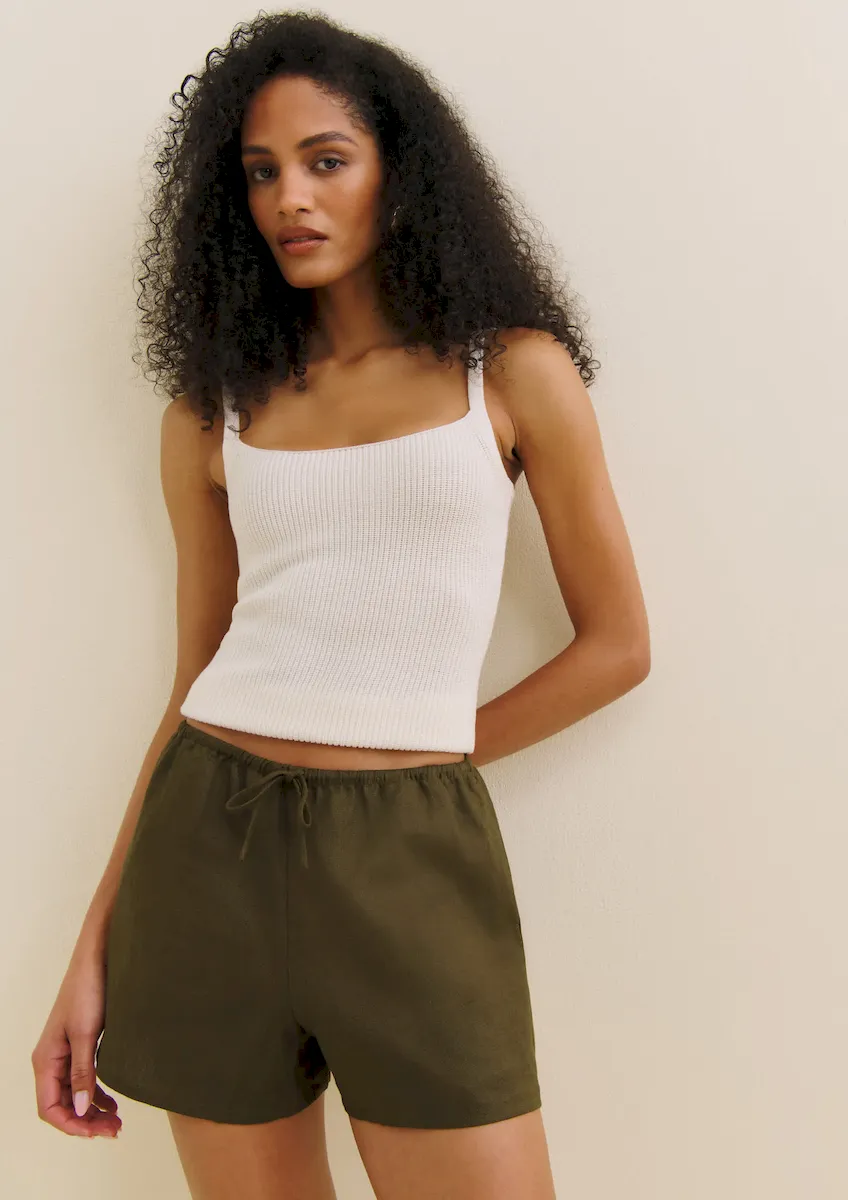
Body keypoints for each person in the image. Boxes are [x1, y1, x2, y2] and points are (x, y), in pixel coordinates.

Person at [31, 11, 650, 1199]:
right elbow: (195, 677)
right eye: (261, 172)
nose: (291, 200)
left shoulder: (513, 372)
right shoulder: (209, 414)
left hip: (411, 856)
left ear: (398, 172)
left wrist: (423, 757)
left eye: (326, 160)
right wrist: (91, 948)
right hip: (206, 846)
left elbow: (619, 645)